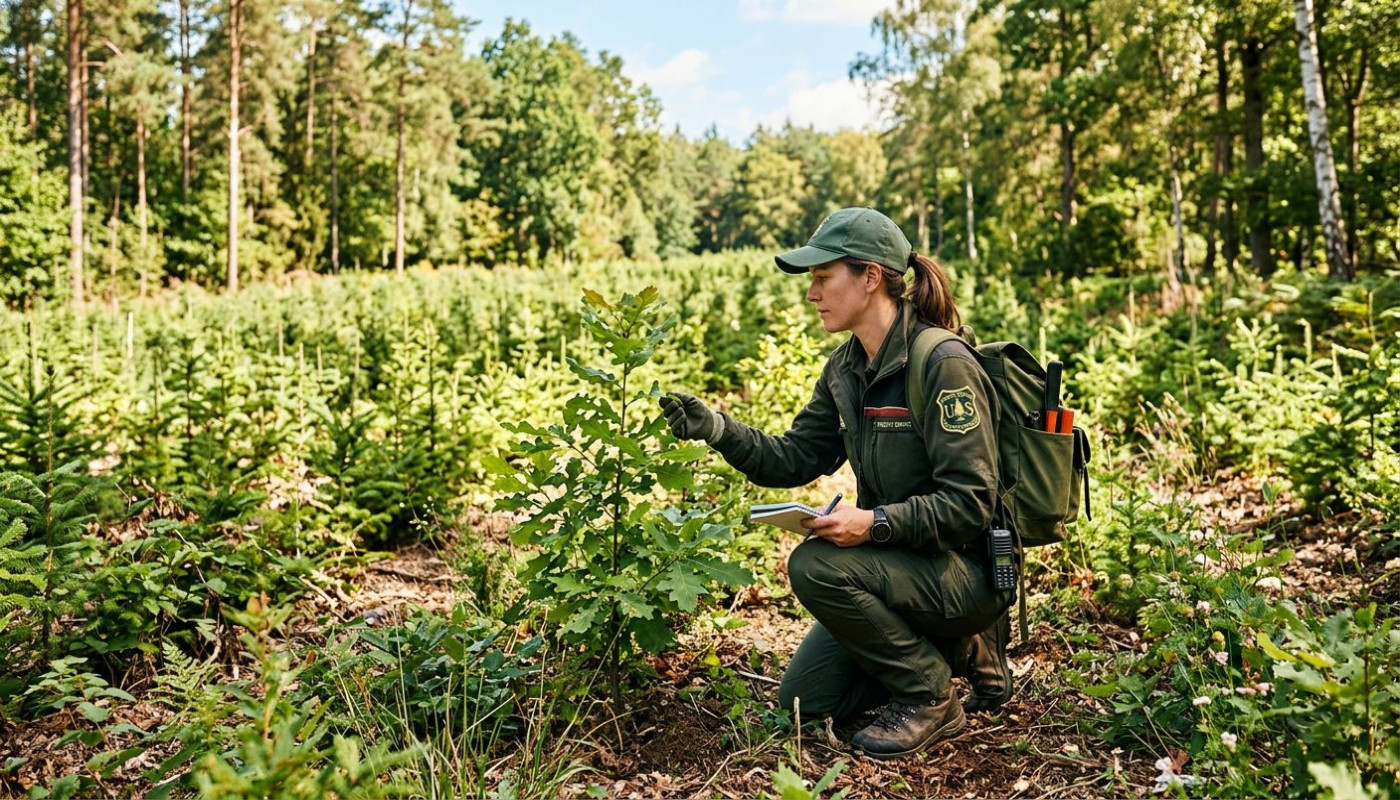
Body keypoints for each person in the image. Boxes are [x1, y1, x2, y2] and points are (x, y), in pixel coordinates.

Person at [659, 207, 1014, 760]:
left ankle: (930, 693)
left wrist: (871, 523)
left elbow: (970, 505)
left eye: (823, 278)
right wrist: (718, 430)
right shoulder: (848, 367)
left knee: (813, 564)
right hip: (901, 567)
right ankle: (954, 647)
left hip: (963, 571)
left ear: (871, 277)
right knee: (805, 701)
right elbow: (796, 456)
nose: (812, 294)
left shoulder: (942, 363)